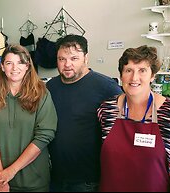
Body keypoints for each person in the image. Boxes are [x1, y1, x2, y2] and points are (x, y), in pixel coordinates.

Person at [97, 45, 170, 192]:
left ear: (153, 76)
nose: (134, 78)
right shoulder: (107, 110)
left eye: (142, 70)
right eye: (128, 70)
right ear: (121, 76)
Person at [46, 35, 122, 192]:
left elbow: (123, 129)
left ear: (86, 58)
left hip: (88, 180)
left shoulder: (106, 87)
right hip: (55, 176)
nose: (67, 64)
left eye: (74, 58)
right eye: (62, 59)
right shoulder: (51, 86)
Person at [0, 45, 57, 192]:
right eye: (9, 63)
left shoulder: (41, 94)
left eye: (20, 62)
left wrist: (11, 171)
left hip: (35, 181)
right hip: (2, 181)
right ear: (2, 67)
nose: (14, 67)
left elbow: (44, 135)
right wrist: (1, 178)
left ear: (27, 66)